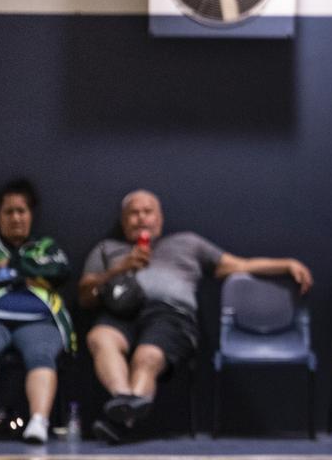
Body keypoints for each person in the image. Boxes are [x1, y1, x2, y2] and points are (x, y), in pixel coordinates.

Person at [78, 189, 313, 443]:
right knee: (100, 338)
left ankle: (121, 419)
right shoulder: (107, 249)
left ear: (160, 218)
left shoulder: (187, 243)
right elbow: (85, 296)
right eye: (133, 213)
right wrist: (118, 269)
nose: (141, 218)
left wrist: (286, 264)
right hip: (120, 312)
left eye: (148, 211)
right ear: (123, 221)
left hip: (171, 315)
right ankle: (125, 406)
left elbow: (240, 265)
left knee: (148, 357)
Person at [0, 179, 73, 443]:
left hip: (39, 320)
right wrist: (25, 273)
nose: (16, 218)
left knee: (41, 352)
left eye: (22, 211)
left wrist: (7, 272)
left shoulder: (45, 246)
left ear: (31, 215)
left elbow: (59, 271)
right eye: (9, 212)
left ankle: (38, 423)